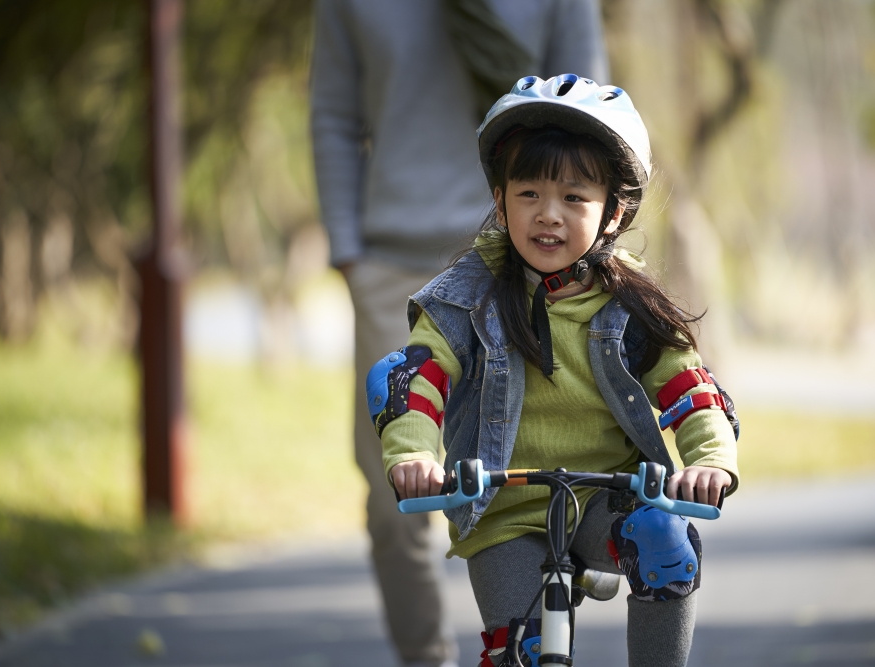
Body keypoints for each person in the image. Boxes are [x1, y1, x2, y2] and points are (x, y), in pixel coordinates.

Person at [367, 75, 740, 667]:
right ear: (499, 201)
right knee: (519, 652)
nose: (548, 215)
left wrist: (709, 461)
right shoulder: (470, 296)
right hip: (504, 511)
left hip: (603, 502)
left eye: (574, 198)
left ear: (613, 213)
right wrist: (412, 456)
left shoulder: (629, 306)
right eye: (529, 193)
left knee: (667, 545)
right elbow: (417, 377)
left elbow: (690, 388)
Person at [310, 3, 608, 666]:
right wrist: (350, 253)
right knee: (397, 491)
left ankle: (550, 611)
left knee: (552, 471)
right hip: (393, 262)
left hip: (531, 251)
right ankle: (425, 656)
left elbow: (592, 111)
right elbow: (333, 114)